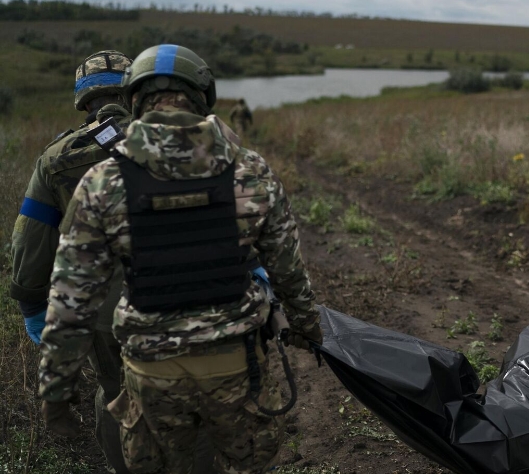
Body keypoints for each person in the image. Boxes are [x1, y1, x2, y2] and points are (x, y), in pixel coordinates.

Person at [37, 44, 323, 474]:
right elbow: (288, 271)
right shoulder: (250, 170)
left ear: (134, 99)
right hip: (234, 365)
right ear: (203, 93)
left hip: (150, 374)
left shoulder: (103, 181)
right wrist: (307, 327)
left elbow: (72, 301)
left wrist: (56, 392)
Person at [10, 49, 133, 473]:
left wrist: (31, 306)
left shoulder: (56, 158)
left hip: (101, 311)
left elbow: (29, 244)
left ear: (84, 100)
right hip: (182, 298)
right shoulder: (174, 140)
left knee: (116, 390)